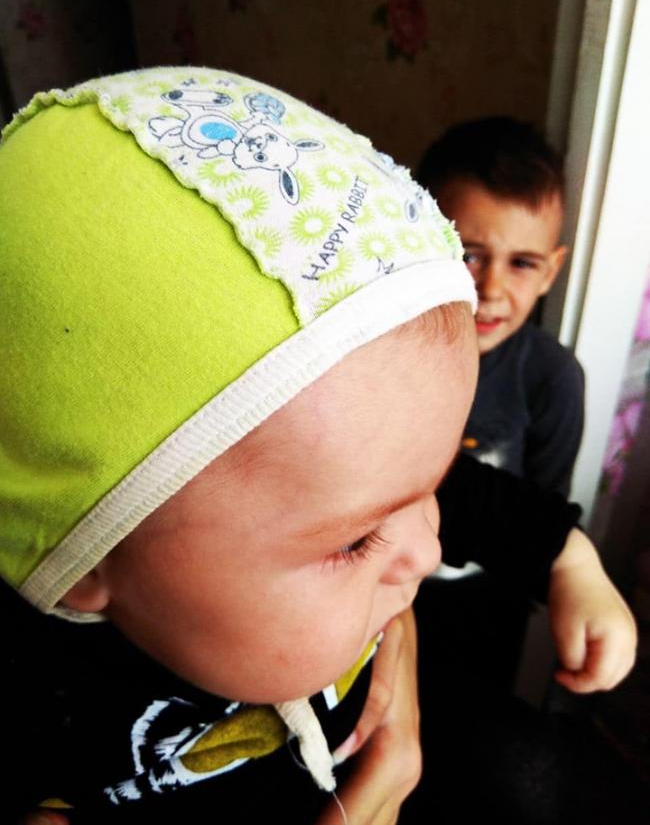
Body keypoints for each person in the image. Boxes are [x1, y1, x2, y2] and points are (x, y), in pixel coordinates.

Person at [0, 68, 635, 825]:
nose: (426, 553)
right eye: (356, 540)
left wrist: (571, 562)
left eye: (425, 489)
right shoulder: (41, 697)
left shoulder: (367, 482)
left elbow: (481, 497)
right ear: (79, 559)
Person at [417, 116, 584, 495]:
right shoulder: (381, 357)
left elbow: (546, 515)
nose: (491, 290)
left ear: (550, 272)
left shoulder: (552, 378)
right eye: (469, 256)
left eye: (522, 263)